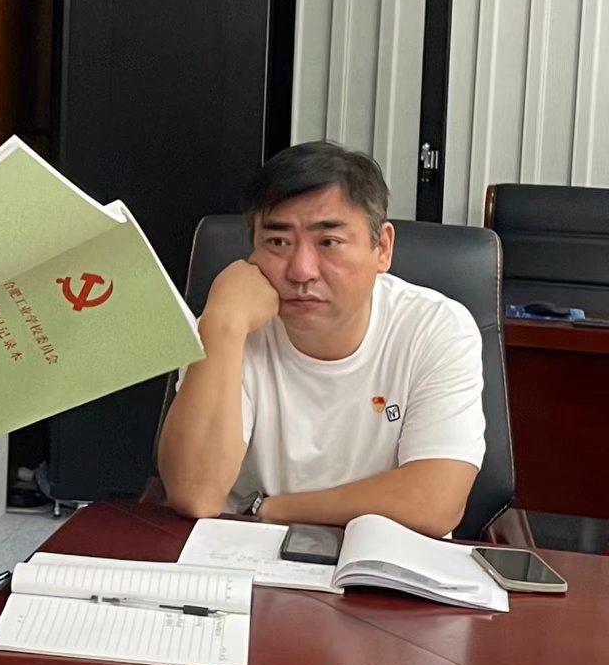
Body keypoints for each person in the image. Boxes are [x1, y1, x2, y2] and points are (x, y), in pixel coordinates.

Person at [157, 141, 485, 538]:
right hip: (241, 555)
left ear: (382, 248)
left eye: (328, 242)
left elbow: (434, 501)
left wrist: (270, 507)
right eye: (278, 242)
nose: (301, 271)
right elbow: (196, 494)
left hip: (384, 558)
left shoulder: (435, 327)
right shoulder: (228, 324)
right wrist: (224, 324)